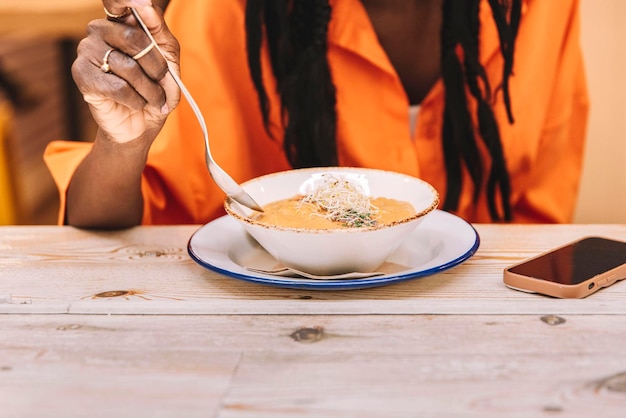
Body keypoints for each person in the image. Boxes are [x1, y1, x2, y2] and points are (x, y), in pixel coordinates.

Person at [44, 0, 588, 228]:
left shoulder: (533, 13)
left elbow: (537, 222)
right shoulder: (225, 12)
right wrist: (123, 141)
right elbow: (108, 229)